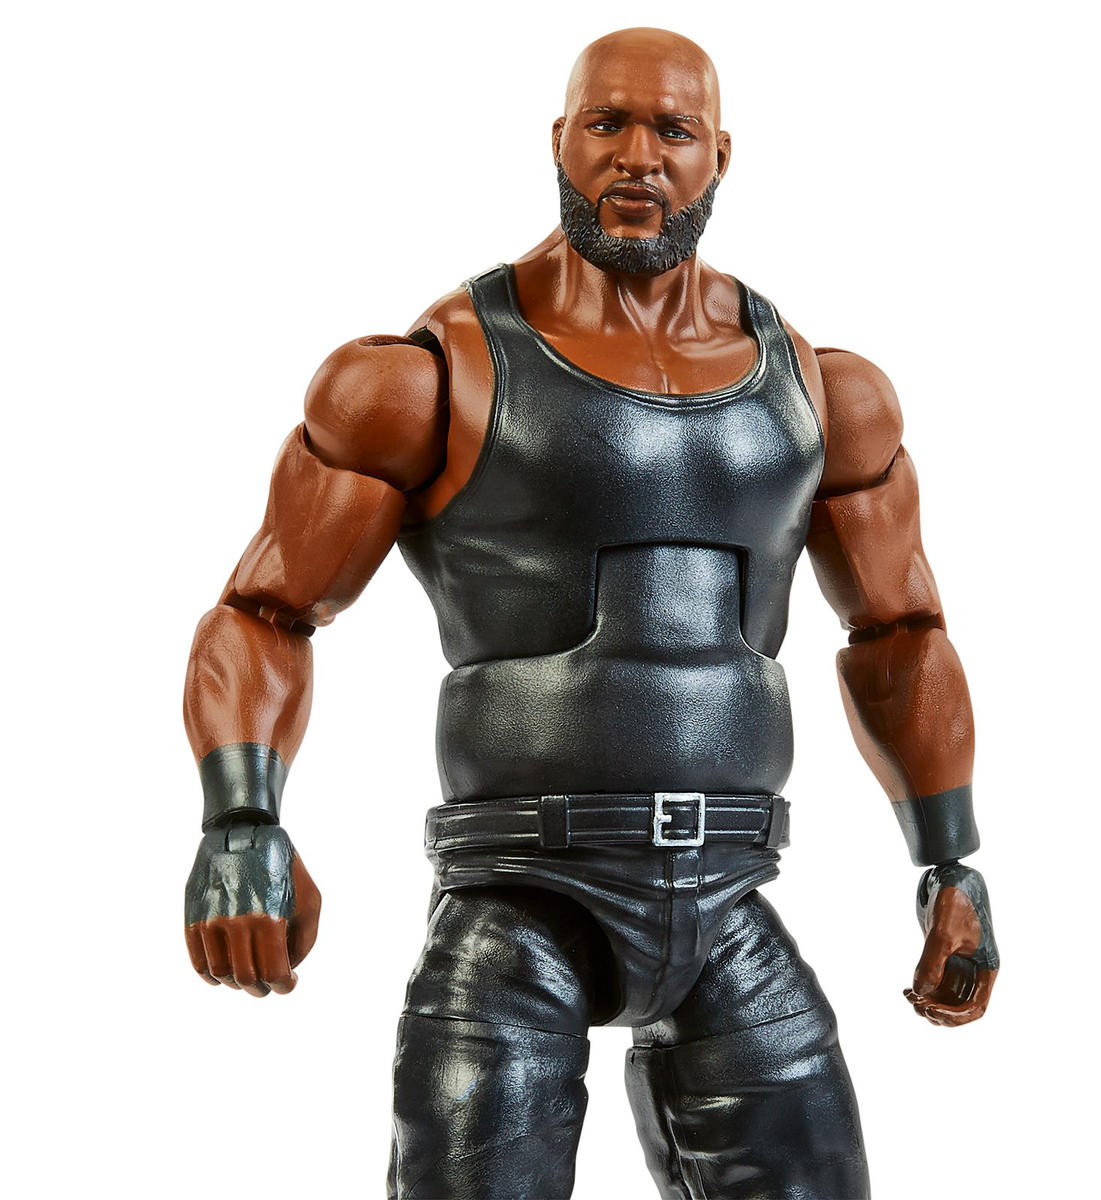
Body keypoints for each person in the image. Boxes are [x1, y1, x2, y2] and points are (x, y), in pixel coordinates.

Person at [183, 26, 998, 1199]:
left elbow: (901, 636)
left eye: (673, 130)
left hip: (728, 902)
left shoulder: (826, 394)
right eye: (607, 124)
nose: (638, 156)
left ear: (720, 156)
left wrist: (949, 861)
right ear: (559, 141)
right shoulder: (424, 379)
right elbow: (265, 610)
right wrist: (241, 819)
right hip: (520, 903)